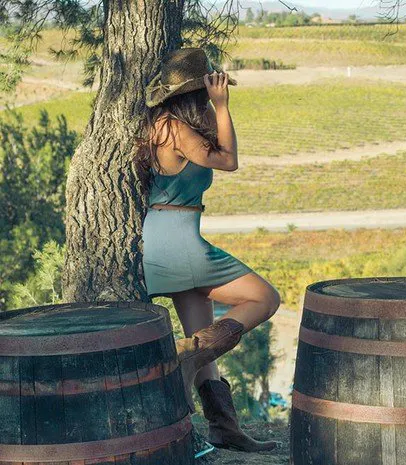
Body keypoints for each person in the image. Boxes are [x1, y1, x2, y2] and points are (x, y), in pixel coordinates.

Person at [133, 47, 280, 452]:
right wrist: (222, 106)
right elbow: (229, 160)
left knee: (202, 336)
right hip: (179, 240)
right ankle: (188, 355)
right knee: (265, 297)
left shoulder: (165, 125)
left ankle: (223, 427)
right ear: (195, 93)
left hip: (165, 235)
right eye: (206, 90)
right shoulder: (175, 128)